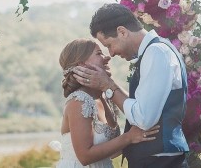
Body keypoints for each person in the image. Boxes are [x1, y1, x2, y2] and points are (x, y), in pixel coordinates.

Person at [73, 3, 189, 168]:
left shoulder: (156, 53)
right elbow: (142, 106)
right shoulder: (155, 51)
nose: (111, 53)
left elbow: (144, 119)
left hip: (159, 161)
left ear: (122, 32)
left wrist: (109, 86)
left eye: (108, 45)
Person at [54, 38, 159, 168]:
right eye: (99, 54)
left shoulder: (104, 97)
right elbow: (84, 156)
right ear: (82, 65)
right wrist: (128, 137)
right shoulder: (79, 101)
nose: (107, 57)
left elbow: (110, 152)